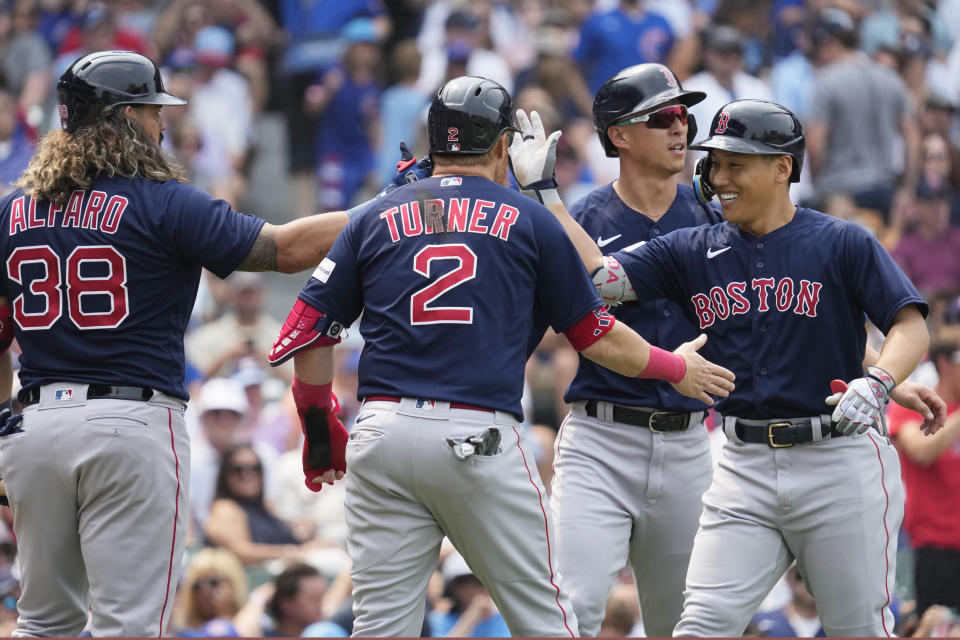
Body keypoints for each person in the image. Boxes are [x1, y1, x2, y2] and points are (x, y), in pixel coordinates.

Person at [268, 75, 735, 636]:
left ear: (433, 145)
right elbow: (597, 335)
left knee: (380, 627)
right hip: (477, 434)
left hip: (382, 431)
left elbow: (310, 328)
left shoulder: (376, 214)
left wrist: (319, 421)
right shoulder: (532, 217)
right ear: (501, 147)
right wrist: (674, 367)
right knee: (550, 622)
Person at [511, 98, 942, 636]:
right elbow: (599, 279)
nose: (719, 176)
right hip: (743, 466)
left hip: (837, 459)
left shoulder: (841, 240)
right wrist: (546, 197)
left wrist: (881, 381)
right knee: (699, 627)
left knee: (857, 629)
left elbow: (910, 325)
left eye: (736, 163)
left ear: (782, 167)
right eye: (715, 163)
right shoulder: (692, 247)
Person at [0, 50, 351, 636]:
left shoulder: (12, 213)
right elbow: (283, 250)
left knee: (41, 622)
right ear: (128, 115)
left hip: (32, 426)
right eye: (153, 110)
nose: (162, 124)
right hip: (129, 422)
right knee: (129, 625)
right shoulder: (161, 200)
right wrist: (389, 209)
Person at [547, 62, 724, 637]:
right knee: (570, 609)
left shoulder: (712, 220)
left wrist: (876, 371)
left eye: (686, 116)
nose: (682, 129)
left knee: (688, 623)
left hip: (689, 446)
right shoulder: (585, 218)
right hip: (601, 440)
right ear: (619, 135)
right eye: (665, 117)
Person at [888, 337, 960, 619]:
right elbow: (920, 450)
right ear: (944, 364)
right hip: (936, 547)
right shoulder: (916, 406)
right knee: (935, 626)